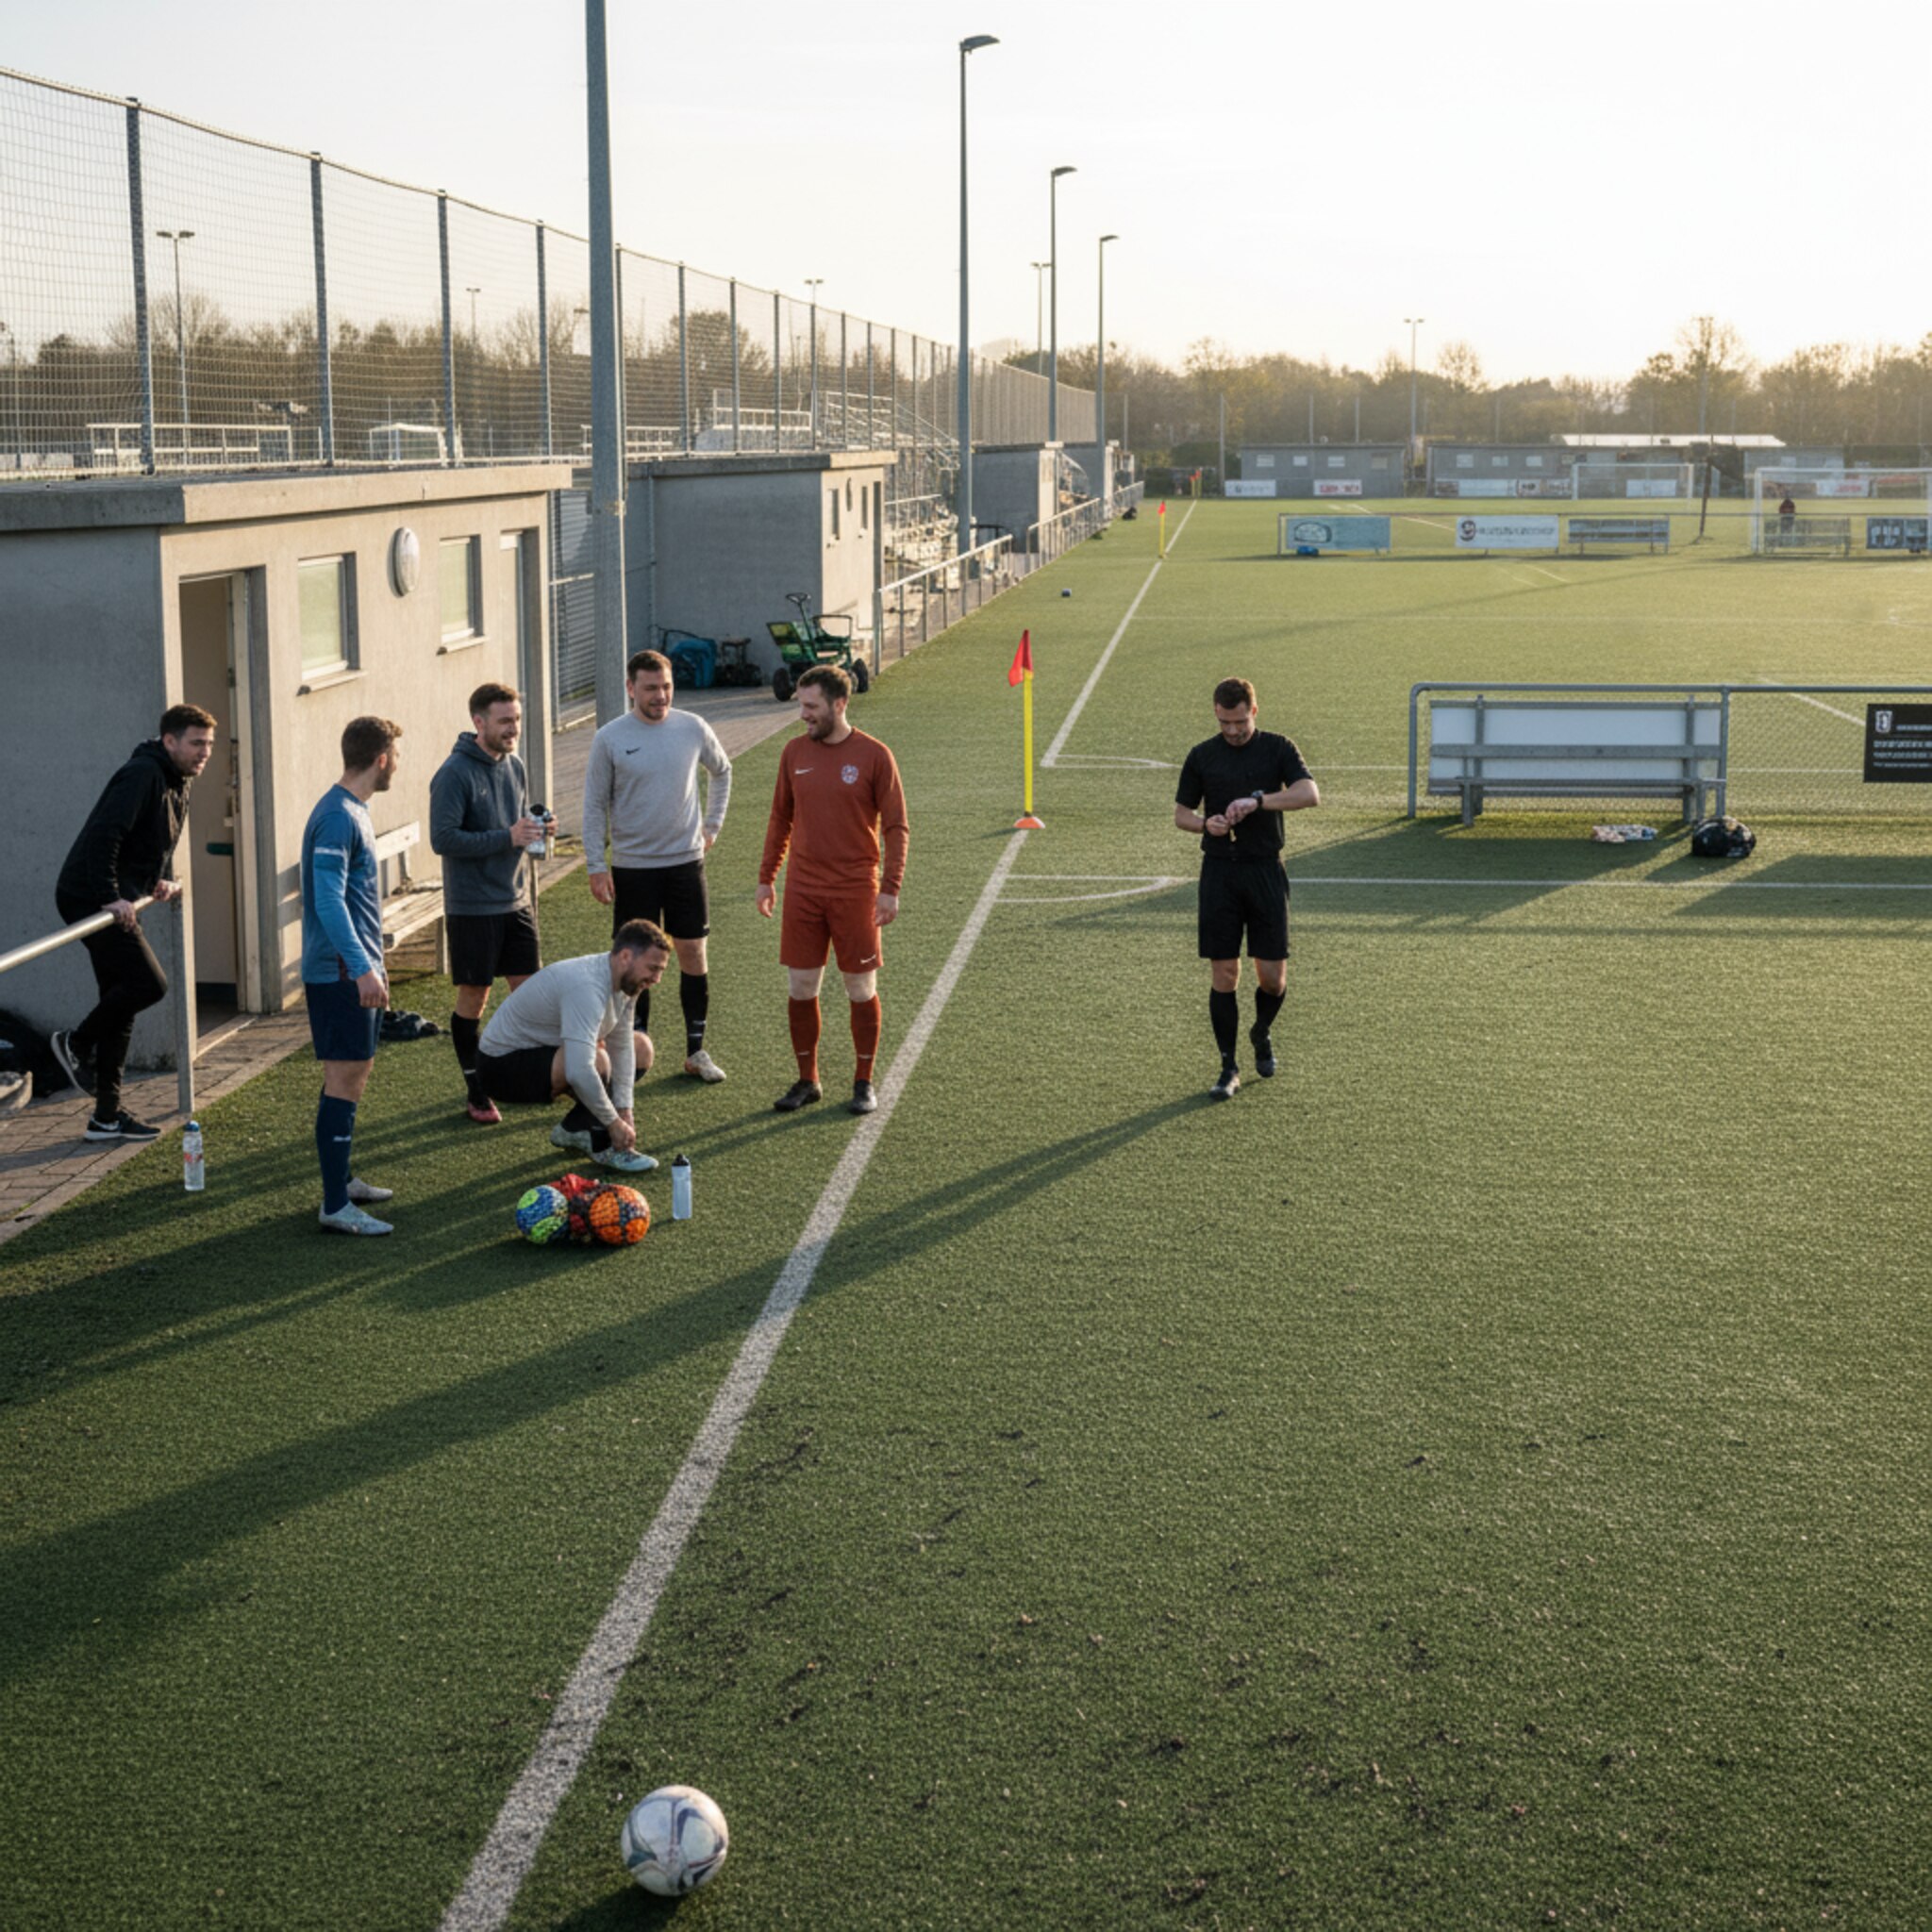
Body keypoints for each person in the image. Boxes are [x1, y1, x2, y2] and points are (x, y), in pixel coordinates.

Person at [51, 703, 217, 1143]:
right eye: (196, 743)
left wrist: (156, 880)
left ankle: (106, 1117)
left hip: (117, 894)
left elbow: (151, 838)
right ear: (170, 741)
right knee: (149, 984)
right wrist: (110, 896)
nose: (205, 752)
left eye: (209, 744)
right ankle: (74, 1044)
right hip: (89, 895)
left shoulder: (178, 780)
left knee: (120, 1000)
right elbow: (106, 835)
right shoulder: (143, 773)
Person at [758, 664, 908, 1117]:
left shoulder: (875, 756)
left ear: (839, 704)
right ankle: (808, 1080)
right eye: (801, 705)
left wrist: (890, 887)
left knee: (860, 987)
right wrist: (767, 877)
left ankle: (863, 1081)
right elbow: (780, 818)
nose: (802, 714)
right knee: (801, 986)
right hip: (803, 890)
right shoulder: (793, 753)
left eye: (811, 706)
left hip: (855, 891)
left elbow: (897, 827)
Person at [582, 649, 732, 1084]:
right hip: (633, 869)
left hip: (686, 863)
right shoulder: (610, 738)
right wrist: (596, 864)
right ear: (631, 689)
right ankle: (634, 1046)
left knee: (692, 953)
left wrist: (713, 824)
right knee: (632, 960)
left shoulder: (692, 727)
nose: (660, 695)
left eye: (666, 687)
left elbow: (721, 772)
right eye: (650, 688)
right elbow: (593, 806)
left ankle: (696, 1051)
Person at [1174, 677, 1320, 1101]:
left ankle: (1260, 1032)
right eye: (1224, 722)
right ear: (1215, 714)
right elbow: (1181, 813)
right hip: (1219, 872)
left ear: (1254, 711)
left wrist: (1258, 800)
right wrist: (1206, 824)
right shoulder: (1202, 756)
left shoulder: (1278, 748)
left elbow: (1309, 794)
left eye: (1239, 721)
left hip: (1265, 872)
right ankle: (1228, 1067)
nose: (1232, 731)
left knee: (1272, 979)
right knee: (1225, 974)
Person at [300, 716, 403, 1235]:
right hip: (340, 972)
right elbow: (326, 900)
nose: (396, 767)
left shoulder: (351, 810)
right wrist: (362, 967)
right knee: (345, 1078)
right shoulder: (339, 817)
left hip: (351, 968)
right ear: (382, 759)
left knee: (350, 1078)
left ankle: (340, 1182)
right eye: (395, 757)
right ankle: (335, 1204)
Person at [429, 681, 548, 1124]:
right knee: (474, 998)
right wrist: (508, 837)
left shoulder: (514, 765)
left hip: (515, 901)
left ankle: (534, 1077)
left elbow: (515, 825)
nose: (513, 728)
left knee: (532, 996)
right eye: (504, 721)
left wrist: (536, 829)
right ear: (479, 722)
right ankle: (476, 1089)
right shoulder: (454, 773)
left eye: (516, 719)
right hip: (473, 907)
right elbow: (442, 839)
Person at [474, 920, 667, 1174]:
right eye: (653, 968)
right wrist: (613, 1123)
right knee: (596, 1062)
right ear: (626, 956)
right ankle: (603, 1146)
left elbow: (621, 1044)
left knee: (640, 1047)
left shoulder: (628, 980)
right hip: (500, 1068)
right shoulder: (587, 987)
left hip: (547, 1052)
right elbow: (578, 1069)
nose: (657, 979)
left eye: (660, 970)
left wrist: (624, 1109)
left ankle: (574, 1129)